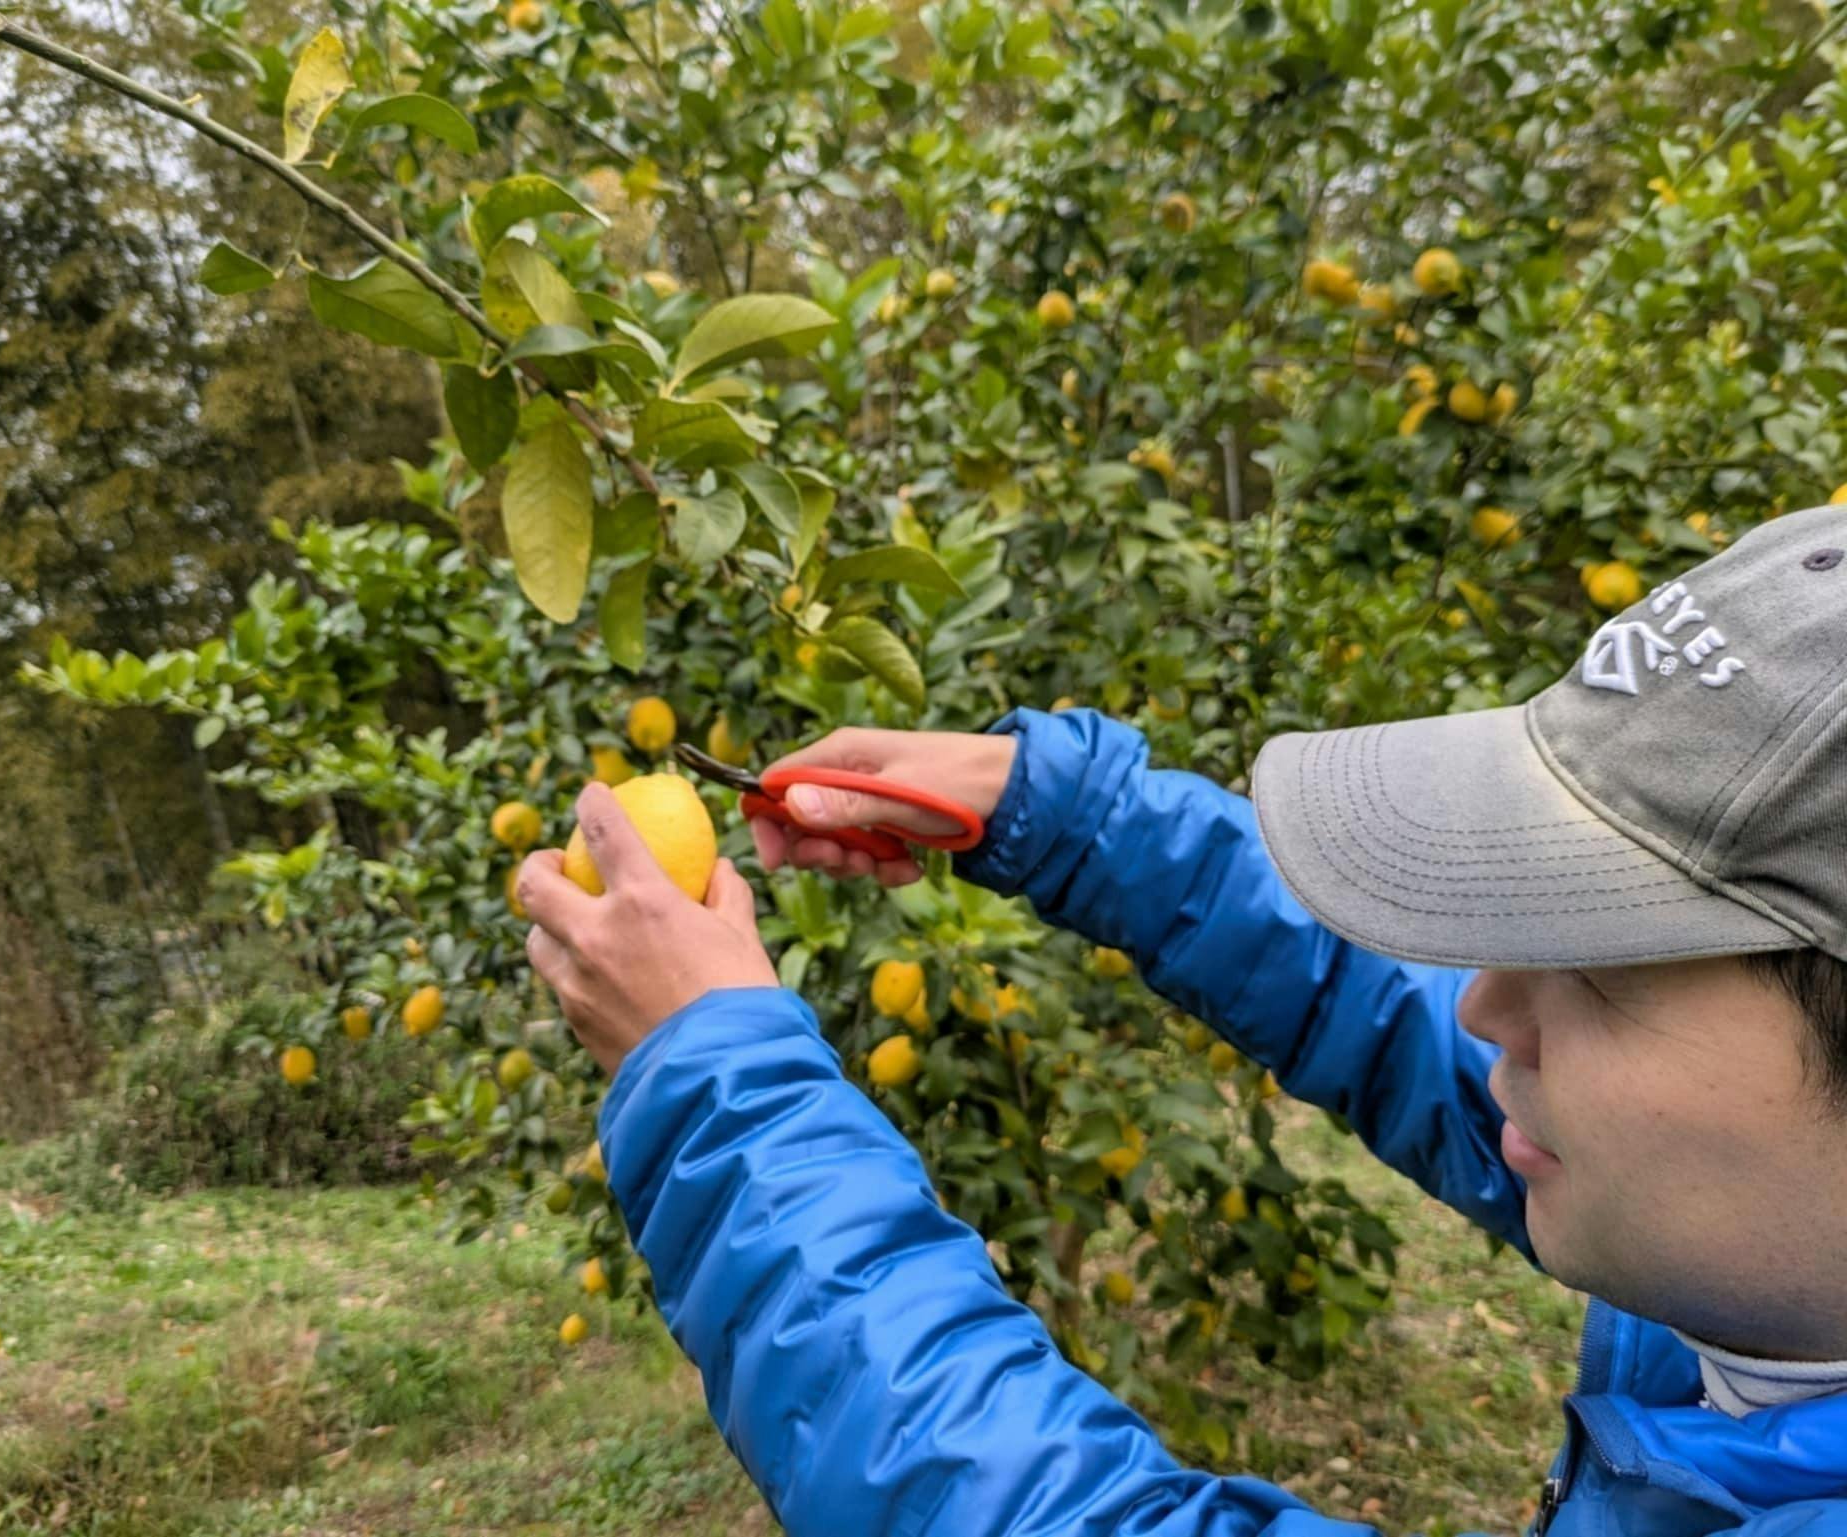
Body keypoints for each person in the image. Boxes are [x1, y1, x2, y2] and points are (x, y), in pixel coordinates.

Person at [515, 504, 1847, 1536]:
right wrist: (1064, 814)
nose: (1492, 1000)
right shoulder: (1772, 1275)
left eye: (1603, 969)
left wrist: (718, 1091)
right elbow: (1397, 1014)